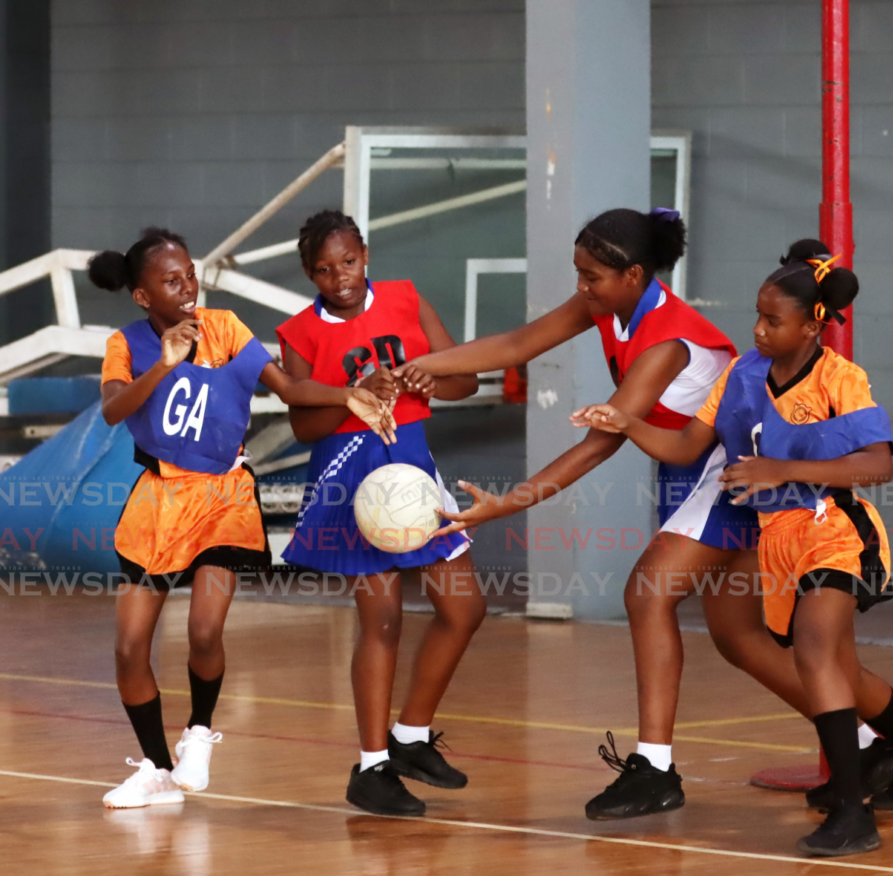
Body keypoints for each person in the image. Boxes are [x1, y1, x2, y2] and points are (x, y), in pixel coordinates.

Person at [396, 208, 819, 820]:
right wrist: (421, 368)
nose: (581, 286)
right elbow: (517, 344)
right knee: (740, 638)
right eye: (578, 273)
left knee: (647, 595)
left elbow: (602, 443)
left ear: (634, 275)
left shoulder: (667, 342)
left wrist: (503, 506)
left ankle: (655, 768)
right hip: (688, 473)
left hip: (727, 475)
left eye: (591, 276)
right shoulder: (607, 303)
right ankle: (869, 742)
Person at [575, 240, 893, 856]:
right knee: (838, 669)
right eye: (756, 316)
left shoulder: (841, 378)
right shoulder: (741, 377)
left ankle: (851, 811)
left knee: (815, 652)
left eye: (773, 320)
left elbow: (877, 465)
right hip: (780, 541)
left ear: (812, 324)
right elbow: (686, 448)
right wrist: (629, 423)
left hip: (836, 530)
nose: (758, 330)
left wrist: (778, 470)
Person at [95, 227, 394, 809]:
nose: (187, 287)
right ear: (142, 295)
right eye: (172, 279)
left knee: (205, 630)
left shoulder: (226, 328)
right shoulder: (127, 344)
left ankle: (200, 732)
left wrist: (345, 395)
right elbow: (113, 411)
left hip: (225, 497)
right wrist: (163, 364)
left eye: (190, 274)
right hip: (159, 500)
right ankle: (156, 770)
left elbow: (287, 386)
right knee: (130, 648)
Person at [276, 211, 487, 818]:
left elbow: (465, 381)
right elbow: (303, 426)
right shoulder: (298, 334)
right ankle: (370, 767)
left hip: (415, 474)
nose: (339, 277)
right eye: (323, 269)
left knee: (465, 608)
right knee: (384, 617)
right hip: (353, 483)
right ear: (308, 273)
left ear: (365, 254)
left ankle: (410, 738)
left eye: (347, 262)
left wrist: (425, 381)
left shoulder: (406, 299)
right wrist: (355, 393)